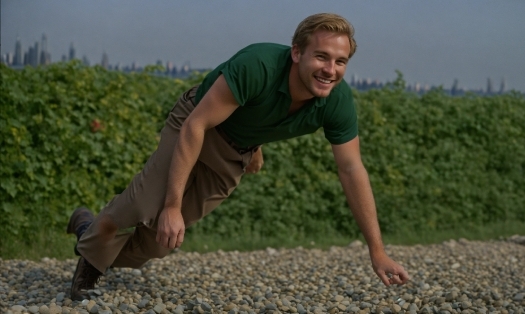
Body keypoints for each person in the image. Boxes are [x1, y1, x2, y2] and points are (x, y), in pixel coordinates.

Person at [66, 12, 409, 301]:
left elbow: (351, 168)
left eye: (340, 61)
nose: (330, 69)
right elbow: (197, 125)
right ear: (296, 53)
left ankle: (87, 233)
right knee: (141, 206)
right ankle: (89, 267)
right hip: (196, 123)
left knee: (162, 242)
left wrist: (376, 250)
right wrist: (170, 205)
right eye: (321, 56)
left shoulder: (337, 101)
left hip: (235, 152)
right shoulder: (256, 64)